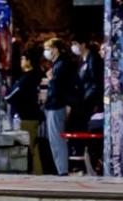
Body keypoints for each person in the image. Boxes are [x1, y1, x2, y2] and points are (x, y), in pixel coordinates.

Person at [43, 38, 79, 175]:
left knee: (57, 140)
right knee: (56, 139)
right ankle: (61, 168)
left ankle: (62, 170)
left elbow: (58, 86)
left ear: (55, 49)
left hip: (56, 105)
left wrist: (51, 80)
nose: (46, 52)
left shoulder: (61, 65)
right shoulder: (59, 64)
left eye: (48, 48)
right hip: (56, 104)